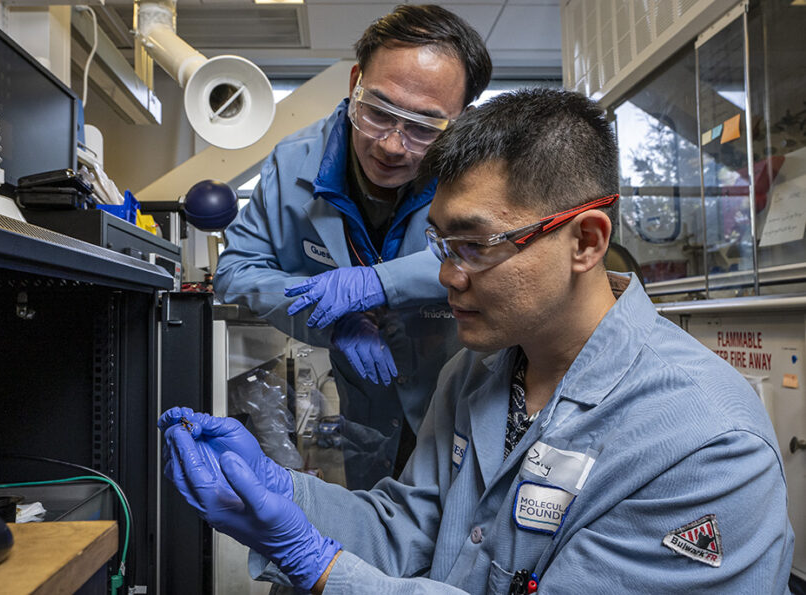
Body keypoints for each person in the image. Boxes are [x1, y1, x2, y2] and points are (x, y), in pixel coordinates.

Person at [162, 88, 795, 593]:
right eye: (440, 243)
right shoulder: (474, 375)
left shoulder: (703, 446)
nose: (444, 276)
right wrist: (279, 491)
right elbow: (410, 530)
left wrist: (321, 568)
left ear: (585, 241)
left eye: (476, 246)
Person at [212, 5, 492, 488]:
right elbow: (236, 269)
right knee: (377, 535)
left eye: (424, 127)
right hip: (367, 408)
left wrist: (379, 283)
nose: (391, 146)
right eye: (379, 112)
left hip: (461, 398)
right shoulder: (292, 164)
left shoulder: (482, 171)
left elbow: (495, 252)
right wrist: (330, 316)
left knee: (456, 541)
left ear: (462, 119)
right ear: (355, 82)